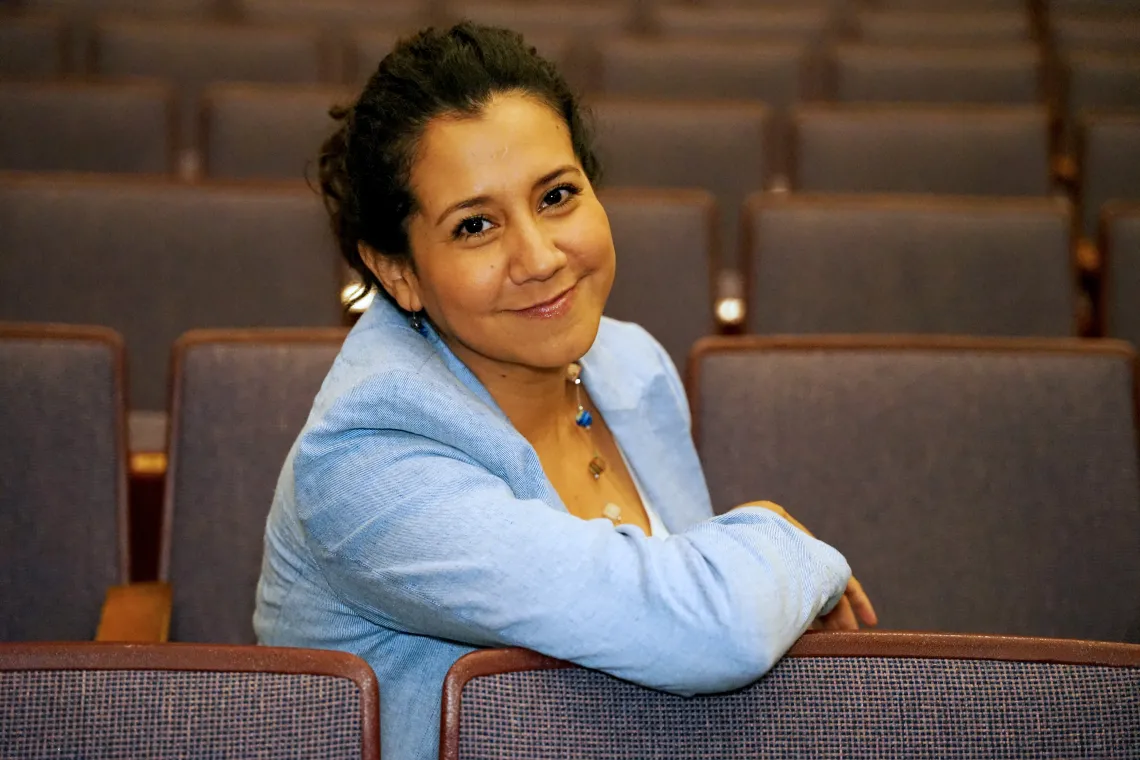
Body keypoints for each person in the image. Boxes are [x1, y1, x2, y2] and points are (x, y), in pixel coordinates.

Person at [255, 22, 875, 760]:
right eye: (476, 225)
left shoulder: (628, 363)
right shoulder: (365, 460)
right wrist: (782, 536)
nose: (541, 257)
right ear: (399, 272)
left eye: (556, 196)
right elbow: (717, 630)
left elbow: (676, 659)